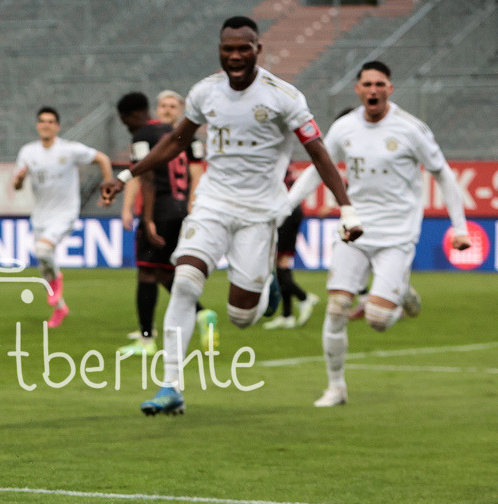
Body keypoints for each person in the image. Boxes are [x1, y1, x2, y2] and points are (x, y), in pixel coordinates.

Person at [100, 16, 361, 416]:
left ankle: (266, 284)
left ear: (259, 50)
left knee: (241, 316)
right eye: (228, 49)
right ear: (220, 50)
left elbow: (319, 153)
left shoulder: (284, 96)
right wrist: (126, 175)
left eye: (244, 48)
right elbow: (176, 140)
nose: (236, 56)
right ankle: (171, 385)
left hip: (259, 213)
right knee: (186, 281)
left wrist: (346, 206)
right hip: (213, 203)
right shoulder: (206, 92)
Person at [287, 61, 470, 407]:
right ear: (357, 89)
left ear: (390, 89)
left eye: (380, 84)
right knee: (338, 307)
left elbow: (443, 174)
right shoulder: (344, 128)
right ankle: (335, 387)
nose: (373, 90)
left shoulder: (410, 129)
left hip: (397, 234)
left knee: (377, 321)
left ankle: (400, 296)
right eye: (367, 84)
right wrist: (287, 205)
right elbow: (318, 169)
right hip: (355, 228)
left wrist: (459, 228)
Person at [114, 91, 218, 357]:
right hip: (179, 210)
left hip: (159, 210)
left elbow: (144, 177)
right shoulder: (184, 137)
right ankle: (201, 313)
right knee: (163, 272)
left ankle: (147, 340)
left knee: (147, 272)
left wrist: (146, 219)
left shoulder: (143, 136)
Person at [13, 106, 114, 328]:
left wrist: (108, 186)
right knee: (43, 267)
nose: (46, 125)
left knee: (43, 250)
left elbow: (103, 159)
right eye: (42, 121)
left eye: (50, 121)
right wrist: (20, 178)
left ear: (57, 126)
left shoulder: (69, 150)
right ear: (37, 125)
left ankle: (58, 280)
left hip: (65, 213)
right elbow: (17, 186)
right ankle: (60, 308)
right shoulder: (28, 152)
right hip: (40, 216)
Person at [263, 165, 320, 329]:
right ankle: (287, 315)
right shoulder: (282, 159)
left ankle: (304, 298)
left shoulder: (272, 160)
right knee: (281, 263)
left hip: (285, 212)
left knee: (280, 263)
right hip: (290, 210)